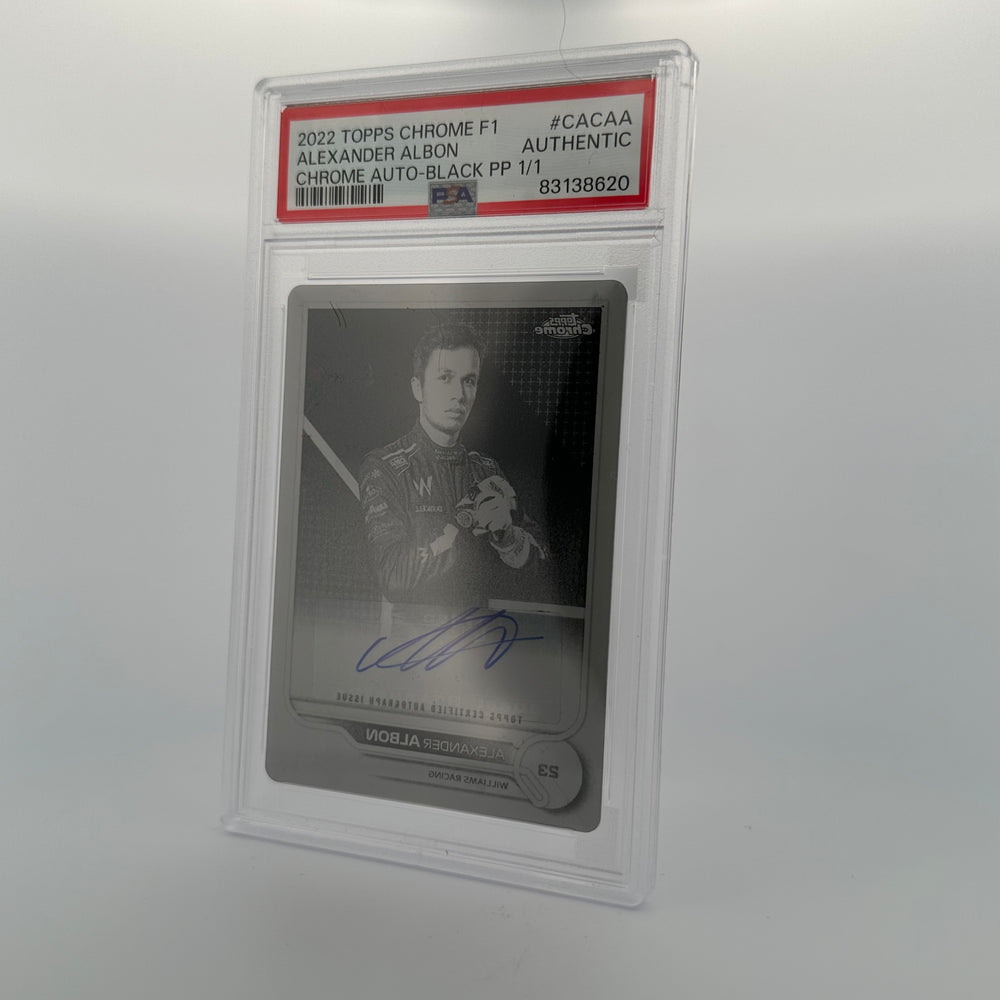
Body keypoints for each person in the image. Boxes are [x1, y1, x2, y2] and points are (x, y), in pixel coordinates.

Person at [358, 325, 545, 608]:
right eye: (445, 378)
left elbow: (545, 569)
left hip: (484, 632)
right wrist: (463, 523)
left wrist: (508, 538)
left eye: (469, 380)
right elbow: (394, 577)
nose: (459, 394)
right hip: (415, 635)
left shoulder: (486, 470)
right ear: (418, 388)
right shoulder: (384, 467)